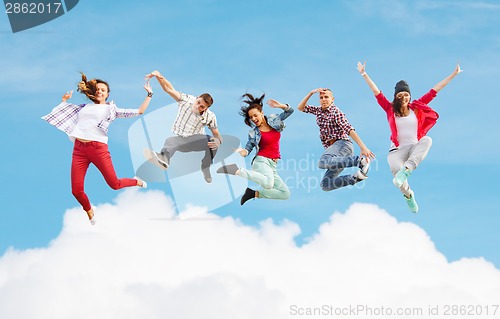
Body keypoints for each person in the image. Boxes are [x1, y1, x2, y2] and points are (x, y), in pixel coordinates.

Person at [42, 73, 152, 224]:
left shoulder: (111, 110)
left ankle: (136, 182)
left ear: (107, 94)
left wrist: (149, 94)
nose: (100, 91)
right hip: (79, 150)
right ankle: (89, 210)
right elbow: (65, 113)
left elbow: (139, 111)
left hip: (98, 148)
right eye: (98, 89)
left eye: (103, 90)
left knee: (114, 184)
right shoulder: (83, 108)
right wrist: (64, 101)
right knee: (76, 191)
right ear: (93, 92)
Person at [356, 61, 462, 213]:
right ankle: (408, 195)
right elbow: (376, 92)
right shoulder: (389, 109)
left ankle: (408, 169)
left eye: (406, 94)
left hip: (414, 148)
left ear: (409, 96)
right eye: (401, 95)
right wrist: (364, 74)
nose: (404, 97)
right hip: (397, 151)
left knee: (427, 140)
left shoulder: (416, 106)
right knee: (396, 174)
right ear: (396, 97)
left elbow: (435, 90)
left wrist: (453, 75)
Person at [143, 70, 222, 183]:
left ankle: (206, 166)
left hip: (196, 141)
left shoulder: (210, 116)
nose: (198, 106)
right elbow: (169, 89)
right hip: (182, 141)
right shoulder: (187, 100)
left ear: (206, 108)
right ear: (197, 97)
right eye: (198, 102)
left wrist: (219, 141)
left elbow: (217, 134)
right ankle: (164, 158)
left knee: (213, 141)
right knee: (170, 141)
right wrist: (159, 77)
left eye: (202, 107)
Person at [217, 93, 293, 205]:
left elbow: (290, 111)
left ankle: (253, 194)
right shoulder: (254, 133)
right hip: (261, 161)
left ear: (262, 113)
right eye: (251, 117)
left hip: (273, 164)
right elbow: (247, 149)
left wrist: (280, 106)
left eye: (255, 115)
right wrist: (240, 152)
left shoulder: (274, 120)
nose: (253, 119)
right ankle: (236, 170)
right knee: (268, 184)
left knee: (285, 193)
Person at [297, 88, 375, 192]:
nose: (324, 99)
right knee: (325, 185)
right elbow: (300, 108)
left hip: (343, 145)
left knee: (322, 162)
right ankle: (355, 178)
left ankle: (359, 161)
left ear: (332, 99)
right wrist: (311, 93)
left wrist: (363, 147)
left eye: (326, 97)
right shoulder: (318, 110)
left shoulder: (336, 112)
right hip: (337, 155)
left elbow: (349, 129)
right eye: (321, 98)